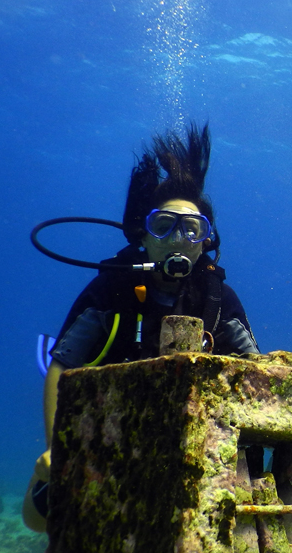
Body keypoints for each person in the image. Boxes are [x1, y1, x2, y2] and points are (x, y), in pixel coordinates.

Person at [22, 123, 259, 532]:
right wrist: (54, 448)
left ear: (206, 241)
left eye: (192, 229)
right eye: (164, 225)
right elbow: (61, 365)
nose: (178, 239)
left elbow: (259, 371)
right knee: (41, 520)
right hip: (110, 432)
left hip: (197, 445)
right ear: (143, 237)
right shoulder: (111, 288)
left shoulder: (219, 299)